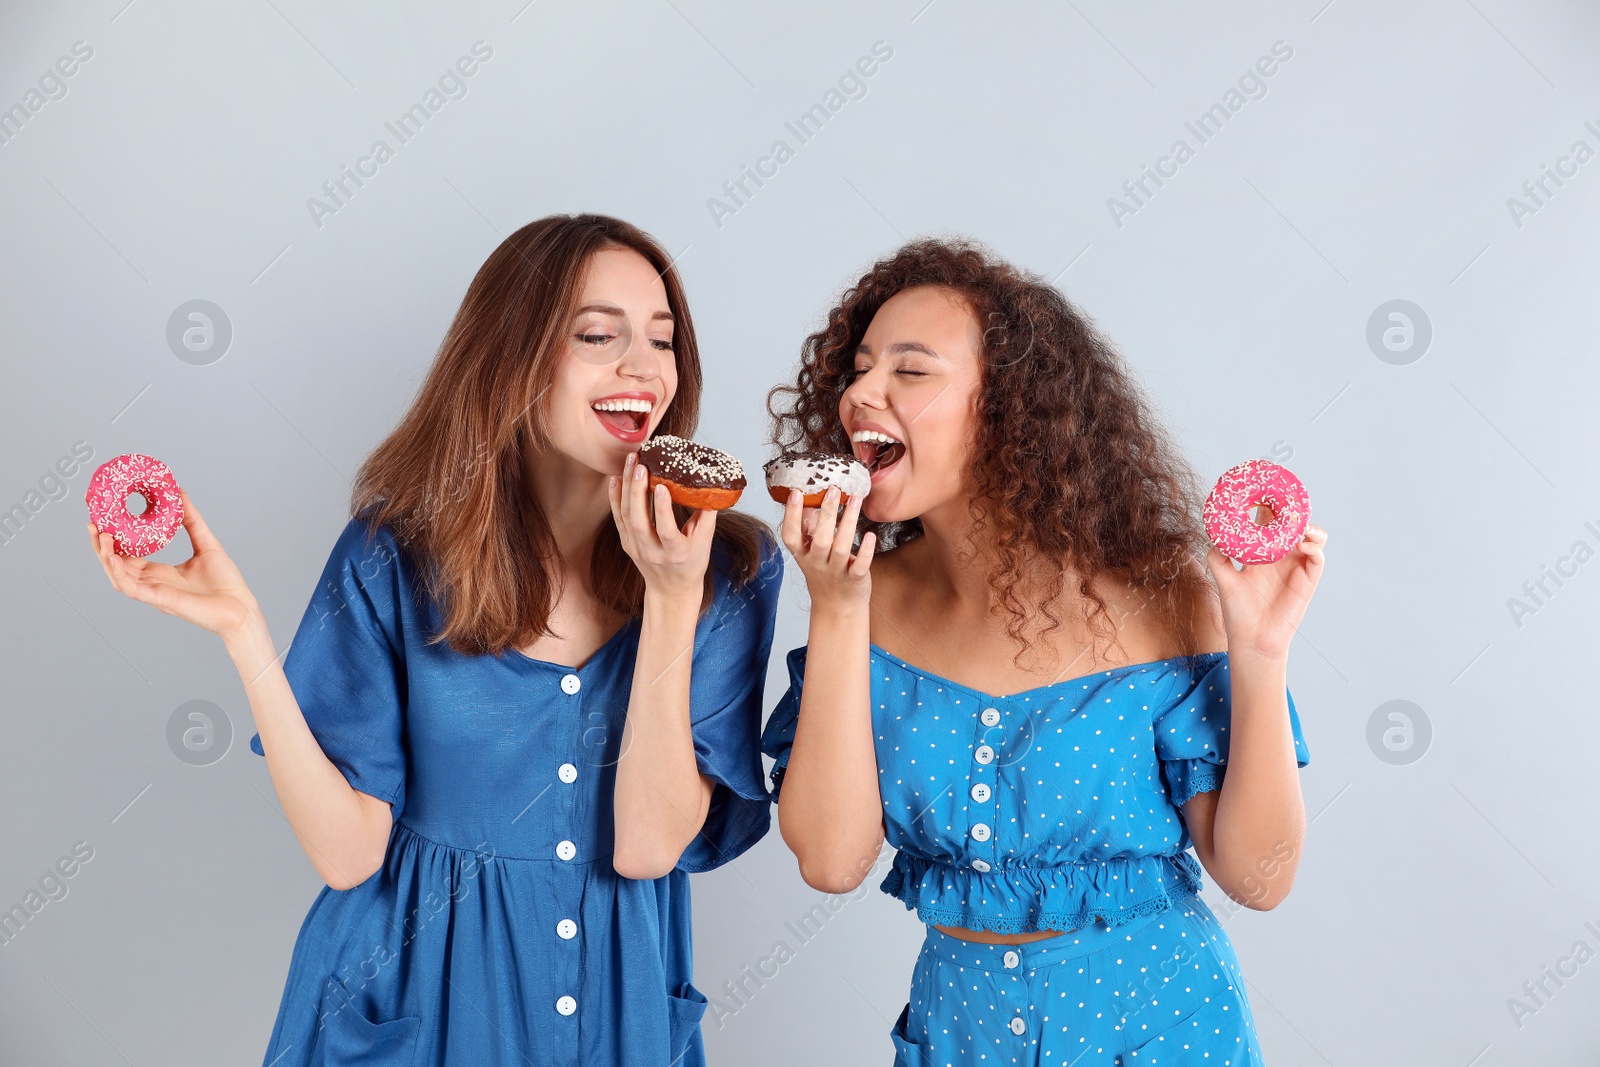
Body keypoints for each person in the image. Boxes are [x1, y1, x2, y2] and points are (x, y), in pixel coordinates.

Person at [88, 213, 782, 1066]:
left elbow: (648, 846)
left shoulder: (729, 568)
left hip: (617, 1015)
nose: (643, 367)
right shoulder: (393, 553)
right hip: (412, 1005)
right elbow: (348, 855)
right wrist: (243, 632)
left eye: (663, 339)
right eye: (600, 335)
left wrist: (672, 602)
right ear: (512, 358)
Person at [761, 237, 1324, 1064]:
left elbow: (1261, 877)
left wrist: (1262, 655)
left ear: (1009, 406)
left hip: (1163, 1031)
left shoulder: (1170, 600)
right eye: (859, 368)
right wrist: (839, 608)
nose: (861, 394)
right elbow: (831, 858)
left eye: (910, 371)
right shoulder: (866, 601)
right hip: (961, 1035)